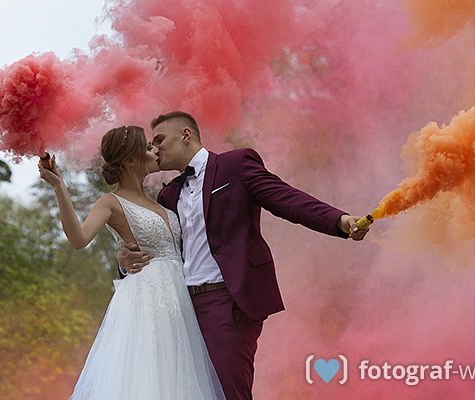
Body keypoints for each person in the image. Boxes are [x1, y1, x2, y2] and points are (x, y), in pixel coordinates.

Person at [117, 112, 371, 399]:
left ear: (186, 135)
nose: (154, 148)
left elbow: (287, 199)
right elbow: (161, 250)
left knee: (228, 391)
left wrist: (339, 220)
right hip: (182, 307)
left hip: (228, 300)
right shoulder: (168, 196)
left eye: (160, 139)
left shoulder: (235, 165)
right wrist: (124, 264)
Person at [38, 125, 225, 400]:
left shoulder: (162, 201)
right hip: (146, 302)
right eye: (148, 147)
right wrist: (59, 186)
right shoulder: (110, 202)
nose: (155, 150)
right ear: (131, 160)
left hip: (181, 301)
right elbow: (78, 238)